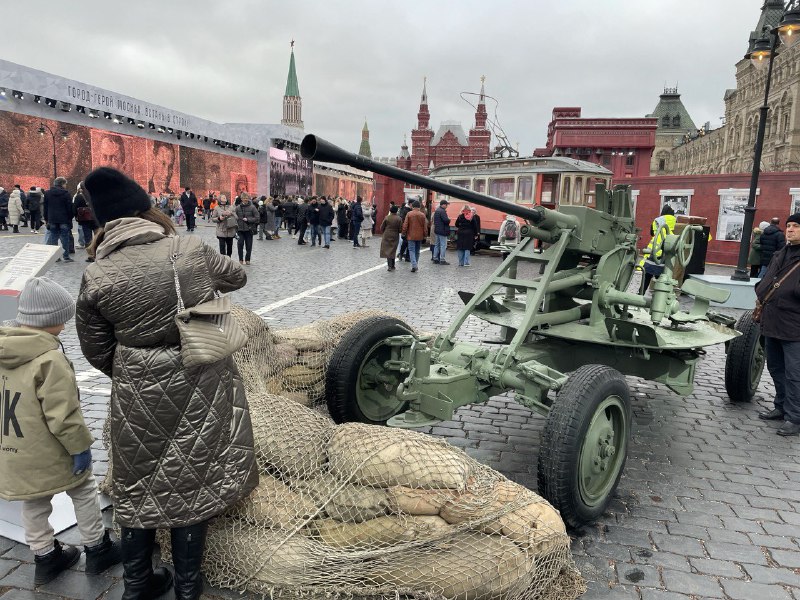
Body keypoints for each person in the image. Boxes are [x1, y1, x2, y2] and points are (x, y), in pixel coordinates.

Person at [77, 167, 257, 600]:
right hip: (202, 379)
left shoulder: (96, 274)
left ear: (104, 222)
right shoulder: (188, 249)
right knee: (192, 482)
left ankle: (137, 586)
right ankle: (187, 590)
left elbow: (95, 348)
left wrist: (134, 370)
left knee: (136, 485)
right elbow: (237, 276)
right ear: (146, 209)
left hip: (136, 393)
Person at [0, 277, 122, 586]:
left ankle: (45, 556)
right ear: (47, 321)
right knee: (82, 490)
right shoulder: (49, 360)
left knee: (34, 502)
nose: (64, 327)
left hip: (13, 449)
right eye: (60, 321)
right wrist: (79, 447)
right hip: (49, 448)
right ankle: (97, 548)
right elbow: (63, 415)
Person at [755, 213, 800, 436]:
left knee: (794, 373)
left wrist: (785, 292)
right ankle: (781, 407)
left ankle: (795, 417)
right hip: (772, 321)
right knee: (775, 367)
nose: (790, 229)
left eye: (796, 226)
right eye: (789, 225)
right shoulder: (781, 253)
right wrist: (761, 289)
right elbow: (768, 279)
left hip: (794, 325)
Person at [638, 204, 676, 293]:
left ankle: (641, 293)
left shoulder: (658, 220)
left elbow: (652, 232)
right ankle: (661, 296)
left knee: (647, 276)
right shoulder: (675, 221)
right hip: (666, 249)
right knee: (662, 277)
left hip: (655, 249)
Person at [43, 177, 74, 262]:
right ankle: (66, 256)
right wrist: (70, 218)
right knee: (65, 238)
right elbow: (69, 208)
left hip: (52, 219)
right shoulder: (66, 194)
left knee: (53, 238)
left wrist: (46, 219)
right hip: (63, 219)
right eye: (65, 184)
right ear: (62, 184)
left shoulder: (47, 193)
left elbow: (45, 208)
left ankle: (56, 257)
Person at [401, 200, 429, 273]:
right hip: (419, 236)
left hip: (411, 235)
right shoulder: (422, 215)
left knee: (411, 250)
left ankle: (414, 265)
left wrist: (403, 233)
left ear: (412, 207)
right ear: (419, 207)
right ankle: (415, 264)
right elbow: (425, 227)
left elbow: (405, 225)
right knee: (417, 251)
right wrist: (425, 235)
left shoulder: (409, 214)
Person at [73, 182, 96, 261]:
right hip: (96, 219)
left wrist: (76, 216)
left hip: (85, 220)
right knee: (98, 236)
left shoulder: (79, 196)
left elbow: (75, 207)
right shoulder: (95, 194)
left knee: (88, 238)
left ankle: (91, 255)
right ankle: (99, 253)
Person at [235, 192, 259, 264]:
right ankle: (241, 259)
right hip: (240, 229)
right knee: (240, 244)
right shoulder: (238, 207)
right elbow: (234, 217)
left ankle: (247, 259)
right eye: (244, 198)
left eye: (246, 198)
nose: (245, 199)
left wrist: (248, 219)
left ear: (248, 198)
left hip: (249, 229)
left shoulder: (252, 207)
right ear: (241, 199)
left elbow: (257, 218)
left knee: (249, 245)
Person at [380, 205, 402, 271]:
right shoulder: (399, 218)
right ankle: (393, 265)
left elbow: (382, 227)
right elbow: (400, 229)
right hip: (395, 235)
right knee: (393, 250)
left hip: (386, 234)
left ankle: (389, 265)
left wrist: (384, 231)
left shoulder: (387, 217)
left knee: (387, 250)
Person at [432, 199, 451, 265]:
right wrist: (449, 219)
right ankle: (442, 259)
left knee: (437, 245)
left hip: (437, 230)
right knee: (443, 245)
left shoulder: (437, 211)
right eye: (446, 205)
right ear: (443, 205)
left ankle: (435, 258)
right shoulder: (442, 211)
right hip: (442, 231)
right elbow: (446, 220)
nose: (447, 206)